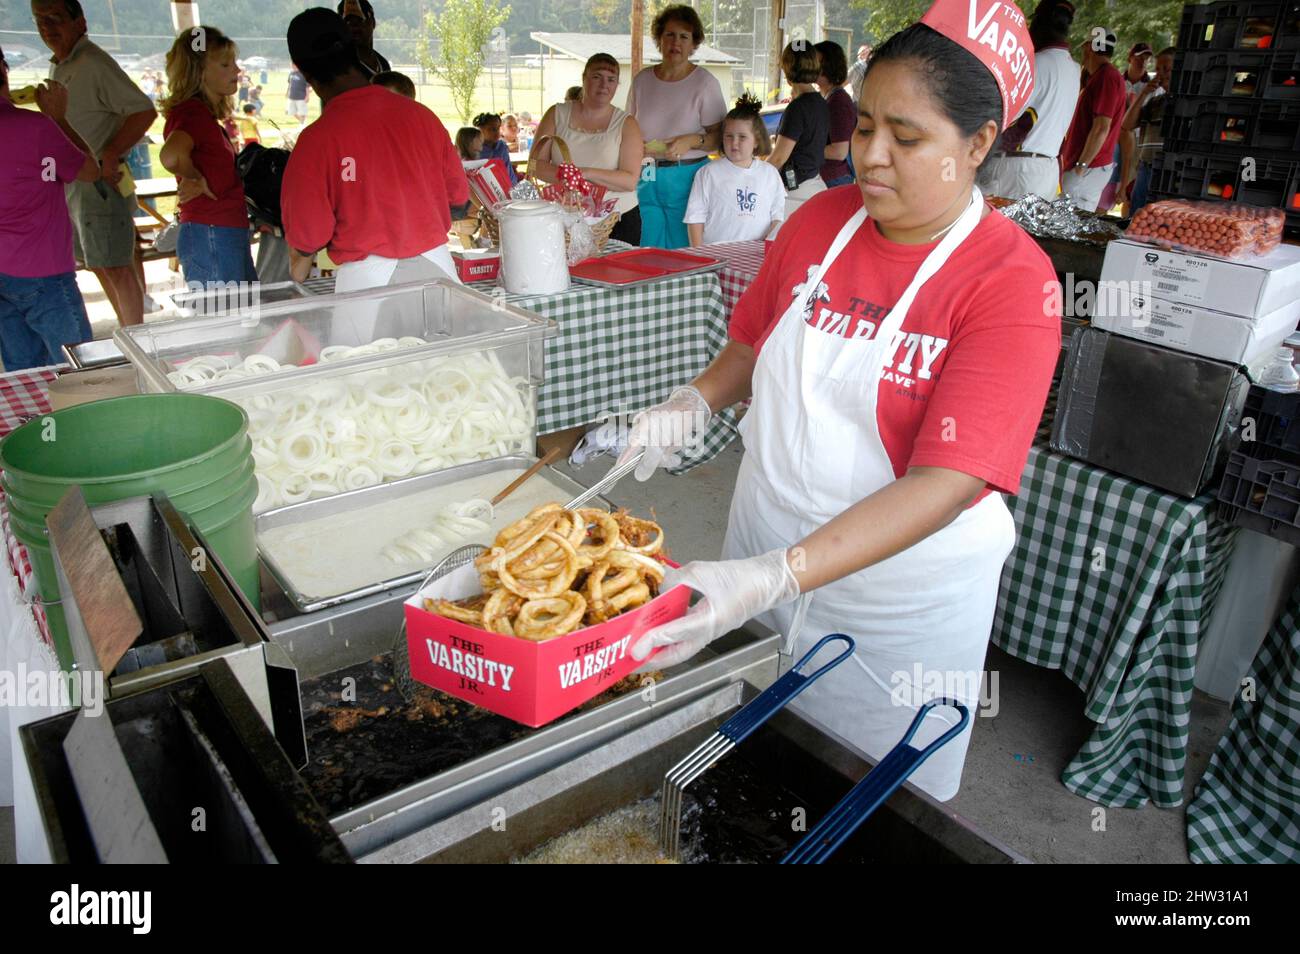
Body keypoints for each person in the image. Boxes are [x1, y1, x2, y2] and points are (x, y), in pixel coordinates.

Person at [618, 0, 1059, 803]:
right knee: (747, 778)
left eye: (908, 136)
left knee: (860, 806)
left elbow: (947, 483)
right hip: (764, 530)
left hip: (895, 604)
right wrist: (689, 401)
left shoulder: (1012, 283)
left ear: (980, 144)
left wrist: (774, 577)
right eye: (864, 129)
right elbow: (750, 350)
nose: (872, 158)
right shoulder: (819, 220)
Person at [280, 8, 468, 292]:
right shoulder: (422, 117)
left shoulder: (316, 141)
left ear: (301, 69)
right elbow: (458, 198)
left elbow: (308, 236)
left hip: (367, 283)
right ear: (354, 50)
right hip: (438, 271)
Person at [32, 0, 156, 327]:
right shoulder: (62, 65)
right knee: (98, 263)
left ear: (80, 23)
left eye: (55, 18)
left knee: (116, 264)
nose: (47, 27)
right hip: (75, 184)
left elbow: (143, 111)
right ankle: (128, 335)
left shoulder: (92, 62)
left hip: (100, 183)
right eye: (39, 20)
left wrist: (112, 152)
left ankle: (137, 339)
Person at [0, 46, 94, 370]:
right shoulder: (36, 128)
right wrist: (59, 119)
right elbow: (89, 170)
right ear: (3, 70)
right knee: (80, 371)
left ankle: (36, 422)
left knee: (24, 373)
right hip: (44, 272)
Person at [158, 26, 255, 288]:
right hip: (212, 234)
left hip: (221, 232)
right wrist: (194, 177)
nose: (236, 70)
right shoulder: (193, 114)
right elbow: (171, 155)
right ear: (199, 71)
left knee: (242, 319)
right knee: (225, 322)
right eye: (226, 64)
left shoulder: (201, 116)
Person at [624, 3, 727, 249]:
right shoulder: (642, 80)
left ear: (694, 44)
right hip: (648, 174)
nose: (676, 43)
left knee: (685, 251)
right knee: (647, 246)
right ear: (660, 39)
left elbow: (721, 138)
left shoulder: (705, 83)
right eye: (669, 34)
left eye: (684, 36)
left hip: (689, 176)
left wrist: (691, 140)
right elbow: (628, 128)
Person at [530, 53, 646, 246]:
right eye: (596, 77)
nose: (604, 85)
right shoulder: (557, 113)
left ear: (617, 85)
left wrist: (583, 173)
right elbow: (535, 166)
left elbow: (629, 181)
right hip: (564, 218)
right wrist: (569, 178)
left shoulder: (627, 123)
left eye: (611, 80)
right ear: (584, 78)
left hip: (617, 221)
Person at [982, 0, 1079, 200]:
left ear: (1042, 24)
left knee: (999, 227)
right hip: (1046, 169)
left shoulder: (1037, 64)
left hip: (1017, 169)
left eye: (1033, 24)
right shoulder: (1074, 68)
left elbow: (1006, 114)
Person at [684, 95, 784, 245]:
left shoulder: (770, 174)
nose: (734, 143)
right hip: (715, 253)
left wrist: (763, 247)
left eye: (742, 137)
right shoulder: (708, 173)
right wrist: (699, 254)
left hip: (755, 255)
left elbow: (777, 217)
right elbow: (695, 217)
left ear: (756, 141)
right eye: (729, 136)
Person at [1059, 27, 1127, 211]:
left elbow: (1101, 127)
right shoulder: (1102, 77)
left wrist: (1081, 167)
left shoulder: (1107, 77)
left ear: (1090, 47)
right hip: (1088, 166)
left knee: (1069, 223)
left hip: (1088, 168)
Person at [769, 41, 829, 224]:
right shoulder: (820, 102)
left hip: (796, 191)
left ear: (787, 69)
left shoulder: (797, 108)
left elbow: (778, 158)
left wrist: (753, 174)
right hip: (815, 184)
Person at [1099, 42, 1153, 213]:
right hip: (1115, 137)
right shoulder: (1119, 82)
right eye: (1139, 57)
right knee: (1110, 184)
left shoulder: (1151, 88)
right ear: (1130, 58)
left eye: (1146, 58)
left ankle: (1125, 220)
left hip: (1138, 141)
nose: (1143, 61)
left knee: (1130, 189)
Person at [1122, 47, 1174, 215]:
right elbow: (1127, 124)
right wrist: (1144, 94)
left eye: (1167, 69)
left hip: (1166, 170)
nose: (1161, 74)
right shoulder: (1156, 102)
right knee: (1136, 217)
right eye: (1158, 69)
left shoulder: (1186, 104)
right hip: (1145, 166)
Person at [815, 40, 855, 187]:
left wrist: (806, 149)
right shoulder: (827, 98)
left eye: (816, 62)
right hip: (827, 177)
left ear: (829, 66)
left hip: (834, 179)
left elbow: (839, 152)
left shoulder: (838, 102)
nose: (810, 66)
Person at [337, 0, 390, 79]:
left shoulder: (383, 64)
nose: (354, 27)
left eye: (360, 21)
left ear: (373, 22)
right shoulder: (341, 68)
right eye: (347, 22)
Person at [473, 112, 519, 185]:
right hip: (489, 187)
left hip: (510, 185)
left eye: (497, 128)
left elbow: (508, 168)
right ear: (481, 129)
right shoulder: (476, 149)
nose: (496, 132)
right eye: (491, 129)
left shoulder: (502, 146)